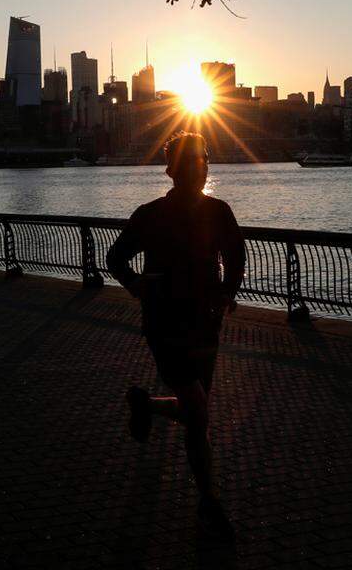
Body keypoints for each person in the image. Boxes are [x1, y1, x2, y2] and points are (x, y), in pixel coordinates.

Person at [106, 131, 245, 540]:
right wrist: (137, 285)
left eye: (202, 162)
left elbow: (236, 255)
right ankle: (209, 503)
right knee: (198, 412)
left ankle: (146, 405)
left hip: (205, 324)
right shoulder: (149, 215)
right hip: (164, 325)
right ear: (172, 171)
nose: (198, 170)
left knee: (194, 407)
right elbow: (116, 258)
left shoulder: (219, 212)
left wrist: (227, 294)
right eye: (189, 164)